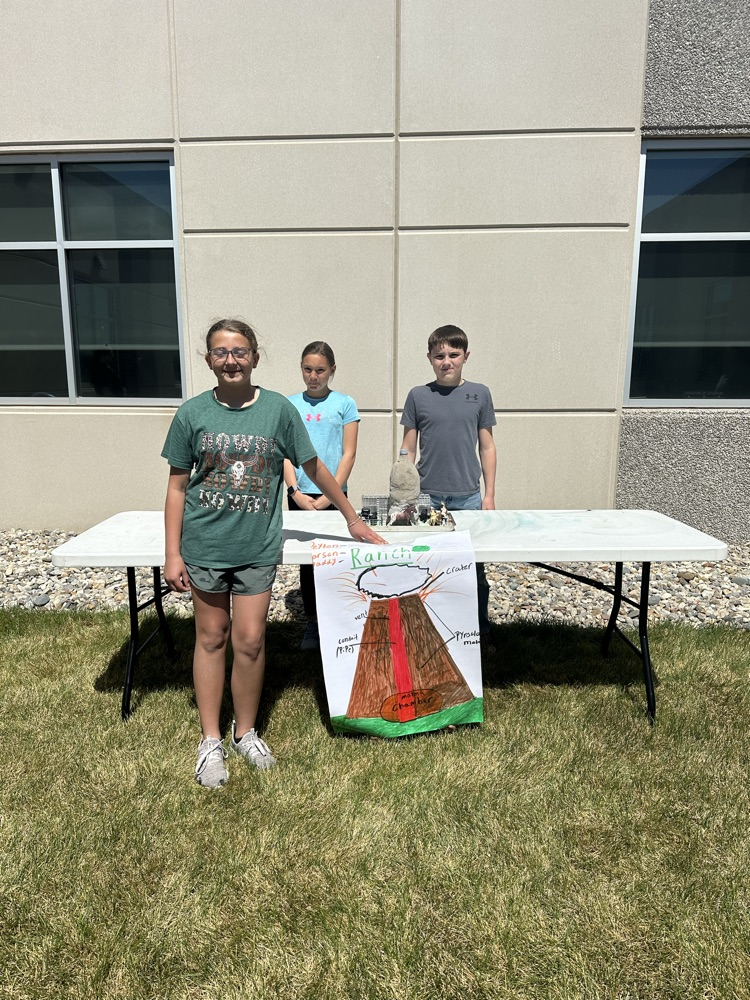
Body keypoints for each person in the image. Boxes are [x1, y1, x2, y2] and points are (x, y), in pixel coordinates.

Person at [162, 319, 384, 789]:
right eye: (221, 352)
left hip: (257, 548)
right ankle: (209, 741)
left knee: (250, 640)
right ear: (208, 360)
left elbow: (314, 467)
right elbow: (178, 487)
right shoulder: (191, 413)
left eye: (239, 351)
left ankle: (245, 731)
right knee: (211, 637)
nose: (231, 360)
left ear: (255, 357)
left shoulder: (280, 411)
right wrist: (172, 553)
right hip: (204, 546)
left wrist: (350, 517)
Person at [400, 324, 496, 645]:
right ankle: (429, 627)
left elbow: (487, 446)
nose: (446, 361)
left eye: (453, 355)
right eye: (439, 355)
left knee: (474, 569)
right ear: (429, 358)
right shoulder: (418, 396)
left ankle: (478, 626)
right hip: (428, 497)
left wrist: (489, 495)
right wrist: (404, 489)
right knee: (427, 565)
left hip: (469, 496)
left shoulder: (479, 394)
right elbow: (408, 447)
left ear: (466, 357)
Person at [284, 341, 359, 650]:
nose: (313, 376)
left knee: (336, 558)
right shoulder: (289, 405)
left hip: (332, 495)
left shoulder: (344, 404)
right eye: (307, 369)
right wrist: (295, 491)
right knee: (308, 562)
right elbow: (285, 454)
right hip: (299, 493)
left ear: (332, 370)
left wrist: (331, 495)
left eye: (320, 370)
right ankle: (314, 623)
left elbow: (348, 454)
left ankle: (340, 621)